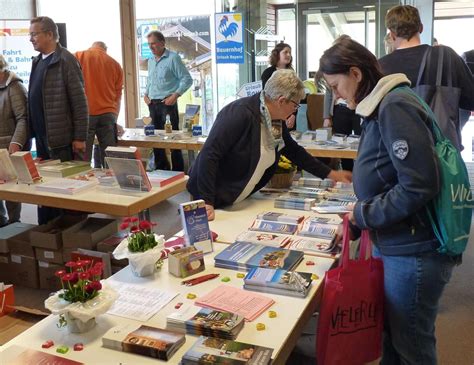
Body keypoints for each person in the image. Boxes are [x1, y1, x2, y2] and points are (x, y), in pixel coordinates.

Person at [319, 37, 458, 365]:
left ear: (355, 73)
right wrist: (356, 221)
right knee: (394, 339)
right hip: (398, 242)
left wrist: (361, 215)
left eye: (336, 86)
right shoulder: (382, 105)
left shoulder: (394, 106)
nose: (335, 96)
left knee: (411, 345)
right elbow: (387, 177)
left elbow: (419, 185)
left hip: (414, 251)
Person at [187, 69, 352, 221]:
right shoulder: (239, 113)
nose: (295, 111)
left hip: (237, 201)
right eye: (295, 105)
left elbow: (294, 151)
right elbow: (209, 155)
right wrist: (206, 201)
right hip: (212, 199)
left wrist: (331, 174)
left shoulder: (274, 120)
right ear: (281, 101)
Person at [379, 5, 474, 150]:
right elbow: (471, 100)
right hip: (442, 154)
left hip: (397, 152)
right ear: (421, 28)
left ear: (391, 35)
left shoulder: (380, 67)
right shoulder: (446, 57)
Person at [28, 16, 88, 224]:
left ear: (50, 35)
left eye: (34, 34)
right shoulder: (37, 61)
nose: (31, 39)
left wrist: (80, 136)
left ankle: (67, 234)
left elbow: (80, 102)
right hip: (43, 139)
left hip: (62, 141)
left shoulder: (66, 60)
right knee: (45, 191)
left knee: (64, 195)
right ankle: (48, 232)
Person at [143, 30, 192, 171]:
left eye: (153, 44)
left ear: (162, 43)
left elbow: (187, 79)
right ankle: (161, 169)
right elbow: (150, 80)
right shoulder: (151, 60)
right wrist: (145, 94)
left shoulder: (173, 58)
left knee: (172, 138)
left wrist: (175, 95)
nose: (151, 47)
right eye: (149, 44)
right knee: (155, 139)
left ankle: (178, 171)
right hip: (152, 103)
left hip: (167, 103)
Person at [75, 41, 123, 167]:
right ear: (105, 50)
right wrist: (115, 120)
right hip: (108, 115)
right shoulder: (115, 65)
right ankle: (110, 182)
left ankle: (84, 182)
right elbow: (118, 98)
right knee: (109, 157)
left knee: (83, 157)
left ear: (91, 46)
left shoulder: (79, 56)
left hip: (86, 115)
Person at [322, 35, 362, 171]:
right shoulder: (330, 69)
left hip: (357, 109)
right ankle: (346, 170)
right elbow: (328, 95)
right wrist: (326, 116)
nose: (336, 92)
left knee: (359, 139)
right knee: (340, 140)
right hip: (340, 109)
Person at [0, 55, 28, 226]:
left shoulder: (15, 87)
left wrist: (16, 142)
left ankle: (14, 226)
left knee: (11, 192)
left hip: (8, 147)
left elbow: (23, 118)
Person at [261, 42, 297, 129]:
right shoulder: (268, 73)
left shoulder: (292, 73)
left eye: (290, 53)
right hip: (274, 114)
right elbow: (267, 96)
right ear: (277, 54)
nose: (288, 55)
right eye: (285, 52)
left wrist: (293, 115)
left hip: (290, 114)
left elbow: (295, 96)